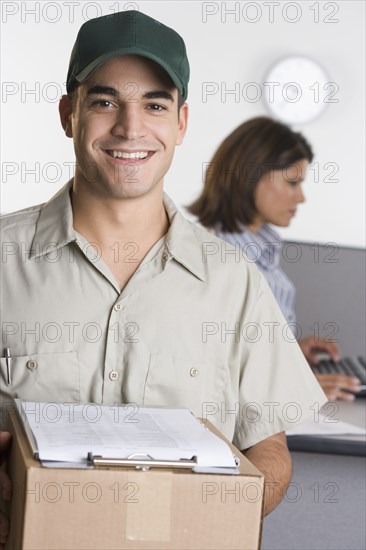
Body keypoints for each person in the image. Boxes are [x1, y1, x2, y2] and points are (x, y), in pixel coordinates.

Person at [0, 11, 327, 544]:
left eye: (154, 104)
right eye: (104, 102)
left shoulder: (235, 283)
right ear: (68, 114)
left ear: (181, 123)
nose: (130, 128)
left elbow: (269, 452)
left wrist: (207, 516)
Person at [188, 116, 361, 401]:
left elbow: (248, 350)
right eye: (292, 182)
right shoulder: (219, 258)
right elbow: (215, 369)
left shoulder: (261, 248)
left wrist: (291, 350)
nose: (301, 198)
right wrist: (299, 389)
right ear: (250, 175)